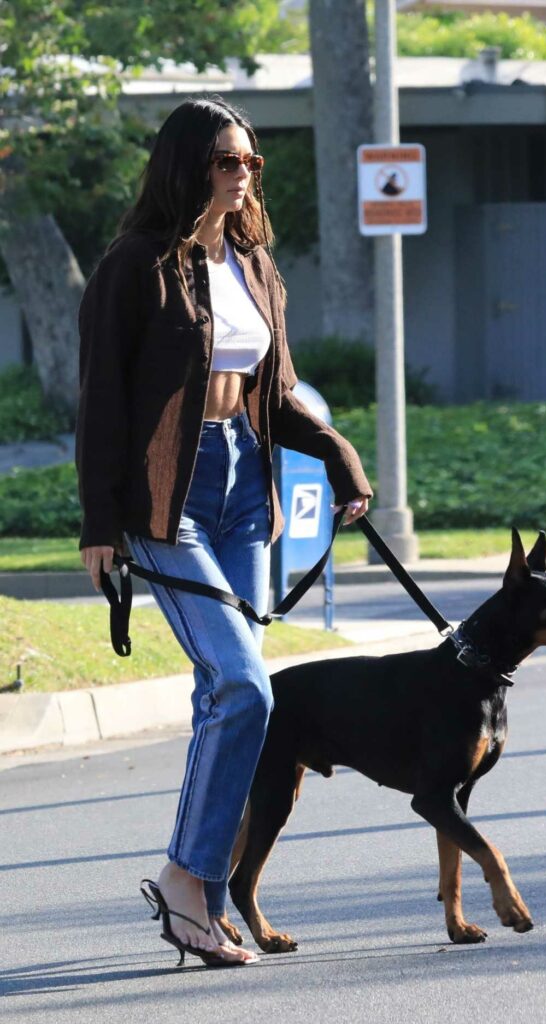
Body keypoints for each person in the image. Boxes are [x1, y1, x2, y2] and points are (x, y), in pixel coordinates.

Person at [76, 97, 372, 967]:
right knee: (242, 684)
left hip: (246, 485)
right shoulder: (134, 266)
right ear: (187, 166)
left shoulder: (253, 263)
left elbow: (273, 394)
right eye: (227, 162)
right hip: (167, 498)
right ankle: (185, 879)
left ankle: (203, 890)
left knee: (234, 694)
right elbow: (100, 400)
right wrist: (100, 522)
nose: (243, 176)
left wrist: (341, 458)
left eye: (250, 163)